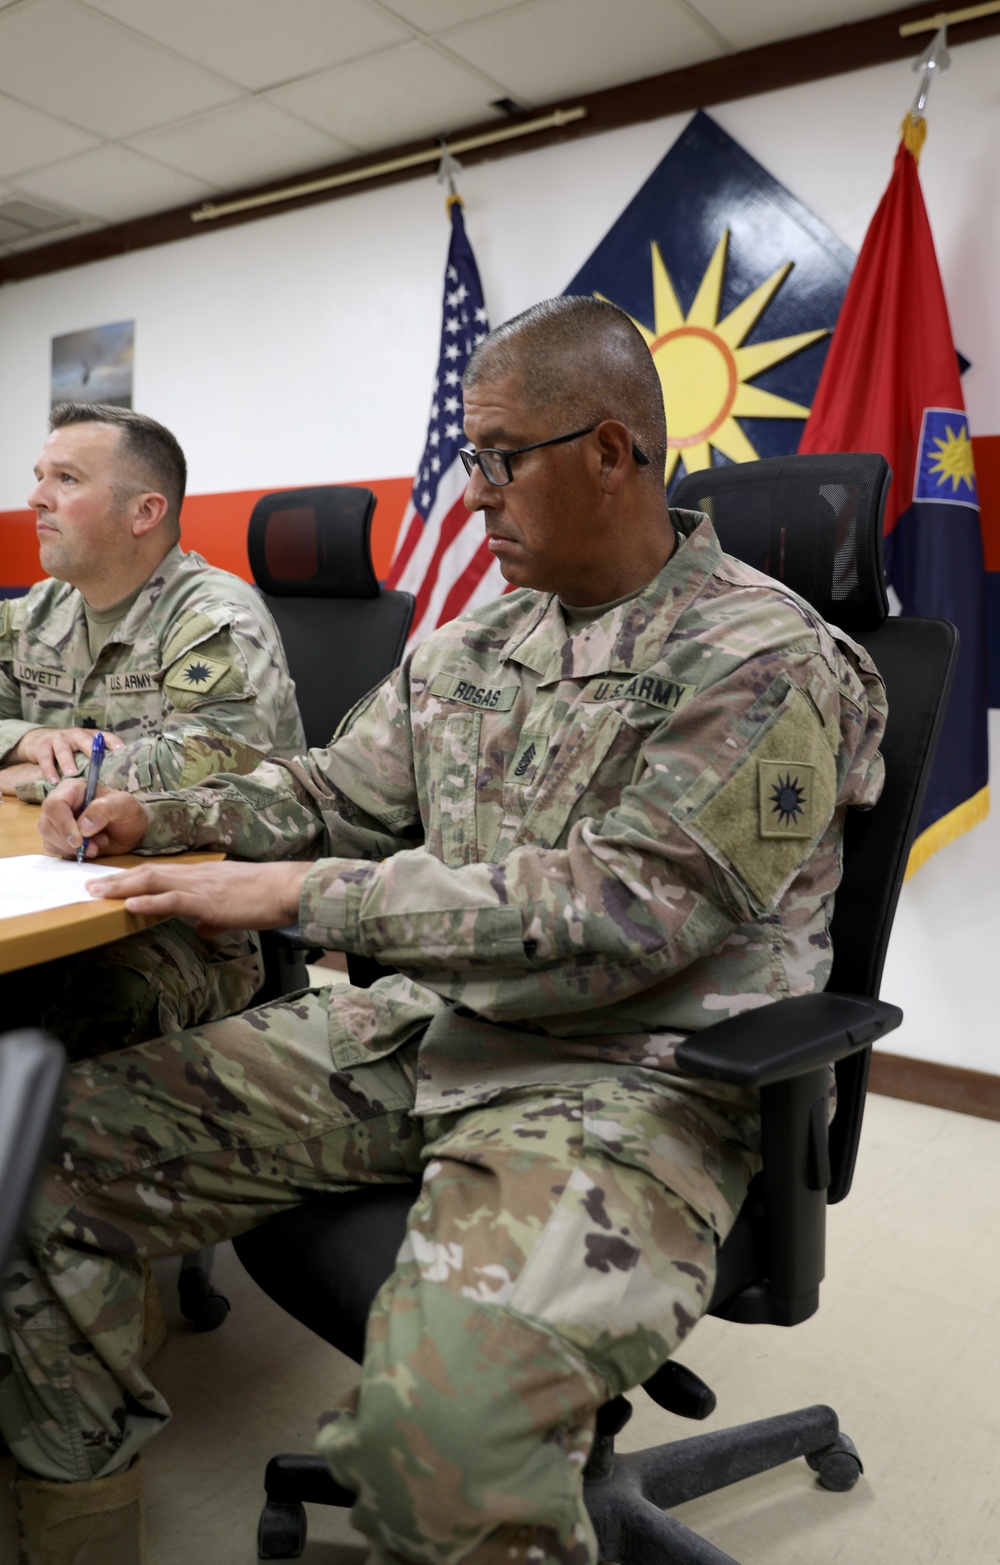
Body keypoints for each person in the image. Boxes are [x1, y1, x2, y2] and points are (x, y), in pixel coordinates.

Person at [0, 299, 887, 1565]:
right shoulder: (471, 645)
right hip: (427, 1028)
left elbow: (621, 910)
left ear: (608, 450)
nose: (472, 493)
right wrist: (164, 814)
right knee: (37, 1161)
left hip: (628, 1082)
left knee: (448, 1445)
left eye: (496, 457)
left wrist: (307, 897)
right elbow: (328, 793)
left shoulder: (762, 657)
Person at [0, 403, 305, 1055]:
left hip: (199, 910)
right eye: (38, 475)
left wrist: (41, 781)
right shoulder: (39, 611)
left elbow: (217, 763)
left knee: (95, 1008)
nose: (35, 497)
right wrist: (20, 740)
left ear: (144, 512)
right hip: (53, 882)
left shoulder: (213, 616)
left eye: (67, 479)